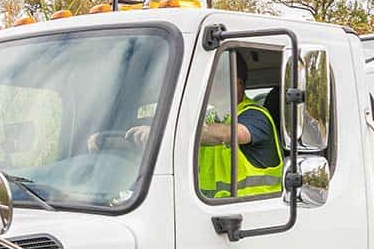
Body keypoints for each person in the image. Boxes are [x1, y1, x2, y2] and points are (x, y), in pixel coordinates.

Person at [115, 56, 282, 198]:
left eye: (214, 78)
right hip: (209, 215)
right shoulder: (211, 118)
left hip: (253, 219)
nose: (207, 85)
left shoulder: (255, 116)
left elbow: (231, 133)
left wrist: (163, 132)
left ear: (237, 83)